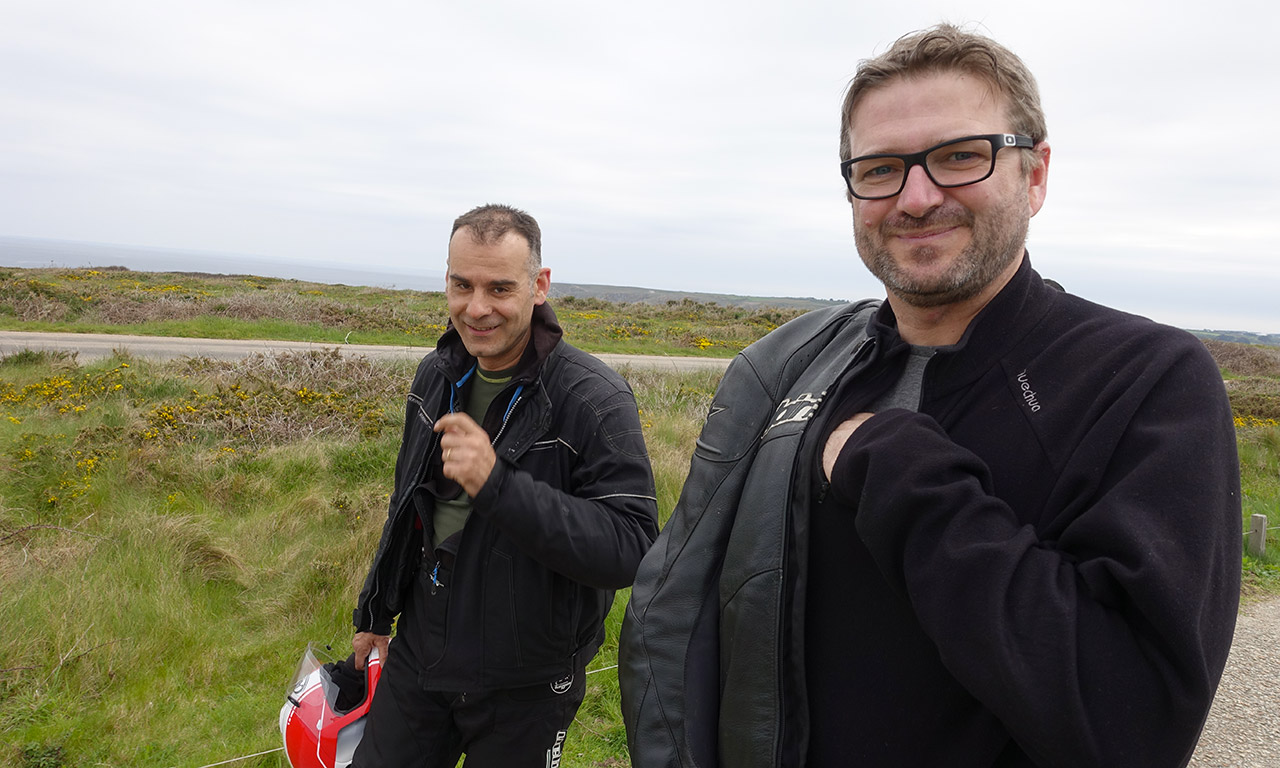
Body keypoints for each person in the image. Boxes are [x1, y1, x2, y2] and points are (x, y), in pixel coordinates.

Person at [619, 24, 1241, 768]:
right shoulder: (790, 366)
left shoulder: (1145, 380)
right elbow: (686, 606)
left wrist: (895, 467)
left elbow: (1130, 725)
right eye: (880, 169)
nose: (916, 197)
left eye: (958, 157)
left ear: (1034, 174)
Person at [350, 203, 659, 767]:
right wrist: (375, 614)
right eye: (461, 285)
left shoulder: (594, 400)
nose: (476, 308)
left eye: (499, 288)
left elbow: (632, 548)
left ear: (539, 285)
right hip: (423, 653)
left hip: (528, 680)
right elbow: (406, 508)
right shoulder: (436, 375)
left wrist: (498, 485)